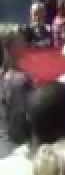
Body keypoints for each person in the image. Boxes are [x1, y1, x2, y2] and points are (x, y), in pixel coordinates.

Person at [0, 28, 34, 159]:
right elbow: (21, 119)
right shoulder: (18, 80)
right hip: (15, 149)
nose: (24, 42)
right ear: (9, 47)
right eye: (20, 40)